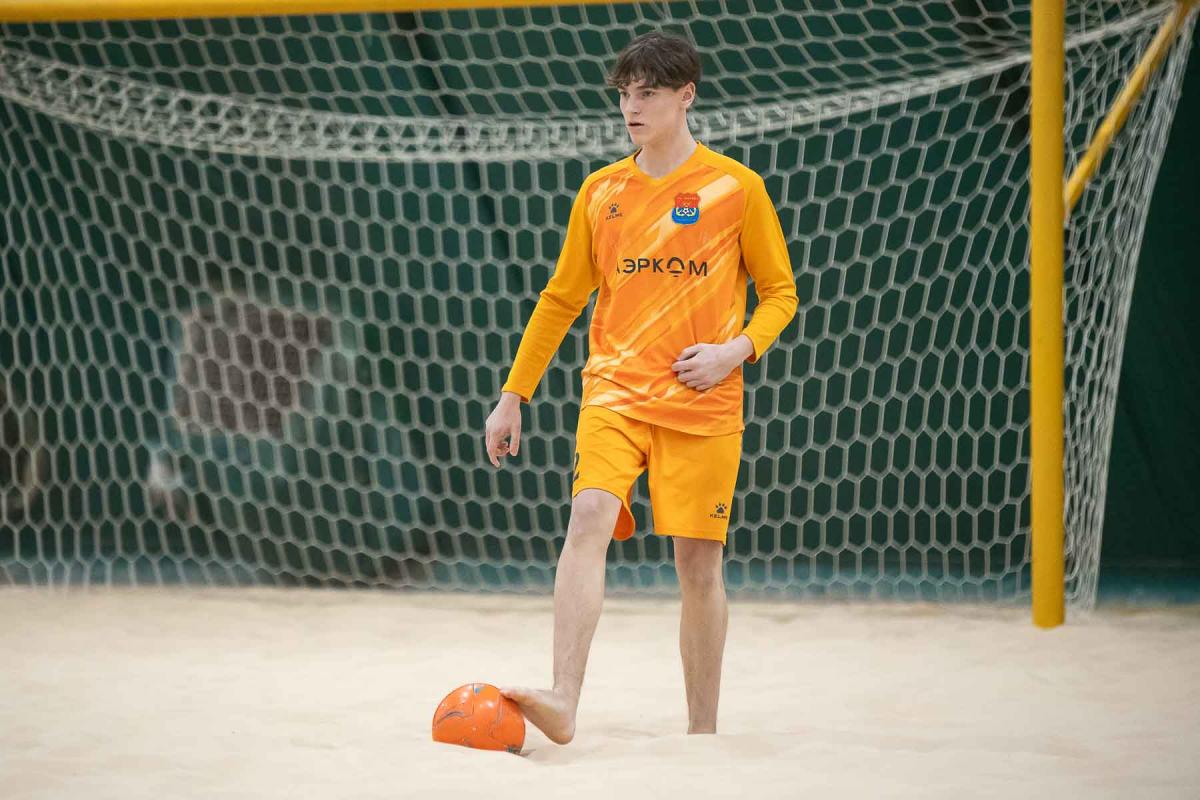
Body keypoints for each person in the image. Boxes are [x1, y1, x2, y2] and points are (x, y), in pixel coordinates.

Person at [483, 30, 798, 744]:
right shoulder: (601, 191)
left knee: (698, 566)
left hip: (704, 402)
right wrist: (513, 395)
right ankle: (564, 699)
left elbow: (781, 294)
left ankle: (701, 732)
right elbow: (562, 298)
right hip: (615, 392)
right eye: (625, 93)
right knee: (588, 516)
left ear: (687, 96)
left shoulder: (735, 188)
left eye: (648, 93)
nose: (632, 106)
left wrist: (735, 351)